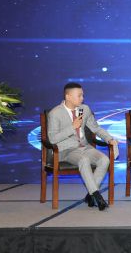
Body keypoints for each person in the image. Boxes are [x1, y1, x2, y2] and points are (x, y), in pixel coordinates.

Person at [47, 82, 117, 211]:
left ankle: (90, 195)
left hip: (84, 147)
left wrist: (109, 139)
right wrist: (72, 127)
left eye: (82, 95)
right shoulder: (55, 113)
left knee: (104, 160)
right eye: (79, 96)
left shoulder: (84, 109)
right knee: (84, 160)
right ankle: (97, 196)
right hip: (66, 150)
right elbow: (52, 139)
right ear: (68, 97)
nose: (82, 98)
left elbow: (95, 128)